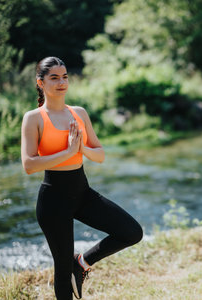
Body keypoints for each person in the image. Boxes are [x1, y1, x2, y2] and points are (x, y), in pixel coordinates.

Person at [21, 57, 143, 300]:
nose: (61, 82)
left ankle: (83, 261)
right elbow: (29, 165)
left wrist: (80, 150)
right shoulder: (33, 118)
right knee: (62, 269)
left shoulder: (79, 113)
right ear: (40, 82)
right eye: (54, 77)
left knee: (131, 232)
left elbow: (99, 154)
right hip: (53, 200)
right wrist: (66, 152)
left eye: (64, 76)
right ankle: (72, 267)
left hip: (83, 193)